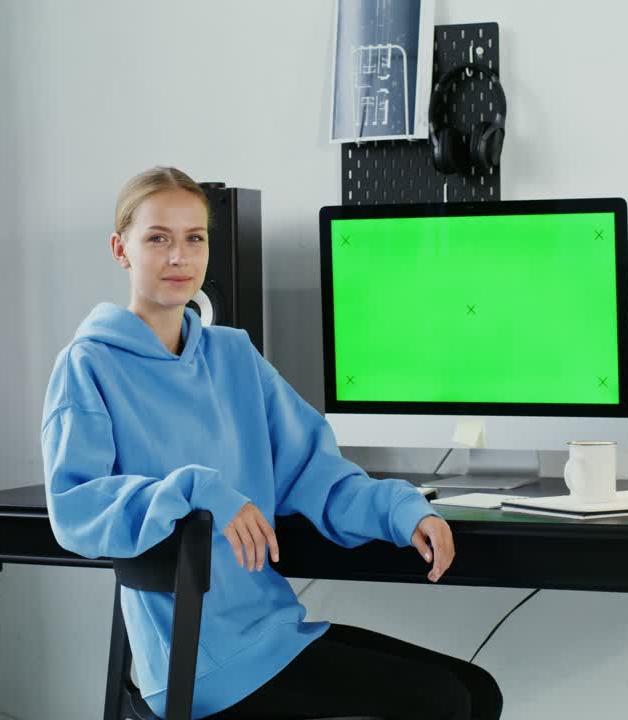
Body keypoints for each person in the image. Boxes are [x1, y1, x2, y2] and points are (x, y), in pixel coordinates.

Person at [40, 166, 503, 720]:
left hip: (271, 629)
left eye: (195, 238)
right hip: (197, 663)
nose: (179, 257)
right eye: (158, 238)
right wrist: (195, 490)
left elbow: (313, 469)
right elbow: (77, 506)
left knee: (476, 691)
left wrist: (402, 513)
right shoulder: (88, 364)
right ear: (121, 249)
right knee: (445, 703)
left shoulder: (234, 357)